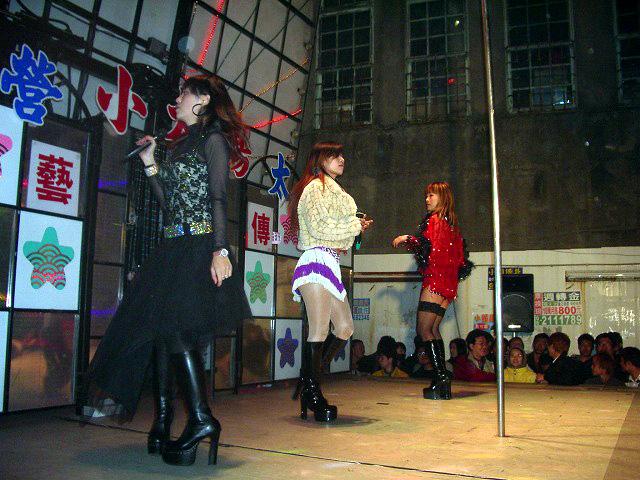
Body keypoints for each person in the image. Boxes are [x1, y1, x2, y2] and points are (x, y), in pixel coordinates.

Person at [85, 75, 251, 466]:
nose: (177, 99)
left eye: (184, 93)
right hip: (173, 245)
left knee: (175, 331)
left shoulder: (213, 140)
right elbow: (169, 204)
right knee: (164, 333)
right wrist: (150, 163)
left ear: (203, 99)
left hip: (200, 245)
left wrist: (220, 250)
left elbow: (218, 197)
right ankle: (169, 420)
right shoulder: (180, 143)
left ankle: (200, 418)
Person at [288, 141, 373, 422]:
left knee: (345, 327)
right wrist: (354, 225)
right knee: (319, 329)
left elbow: (343, 240)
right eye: (334, 155)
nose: (341, 159)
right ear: (320, 160)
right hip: (315, 260)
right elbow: (320, 227)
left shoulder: (338, 193)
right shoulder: (314, 188)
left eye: (342, 155)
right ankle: (313, 393)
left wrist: (356, 228)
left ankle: (308, 379)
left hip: (330, 263)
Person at [392, 181, 473, 400]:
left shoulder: (436, 220)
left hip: (436, 280)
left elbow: (428, 248)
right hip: (448, 284)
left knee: (424, 329)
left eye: (431, 195)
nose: (427, 200)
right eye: (426, 196)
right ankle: (441, 380)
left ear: (442, 197)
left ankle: (441, 377)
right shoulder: (451, 223)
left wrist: (406, 239)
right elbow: (459, 258)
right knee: (433, 329)